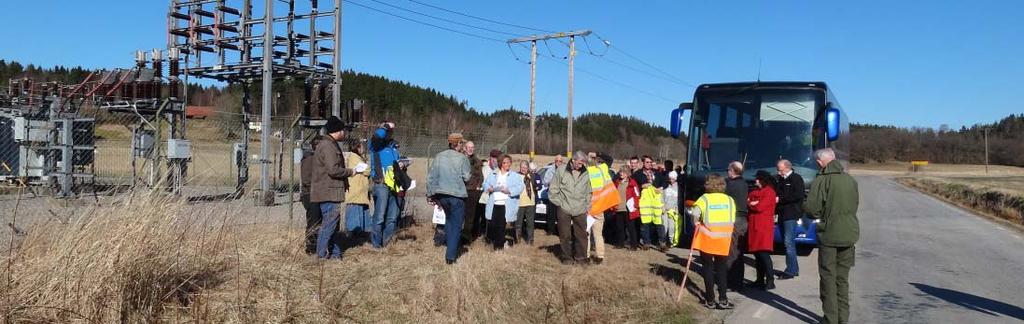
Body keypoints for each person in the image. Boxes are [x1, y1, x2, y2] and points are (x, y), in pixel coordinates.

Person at [803, 148, 859, 324]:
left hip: (829, 235)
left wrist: (807, 208)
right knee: (842, 279)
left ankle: (830, 319)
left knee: (828, 278)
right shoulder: (850, 179)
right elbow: (855, 204)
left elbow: (812, 210)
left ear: (820, 162)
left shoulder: (822, 180)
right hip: (849, 233)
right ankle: (843, 318)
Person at [310, 117, 357, 259]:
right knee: (329, 225)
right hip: (328, 192)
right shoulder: (328, 146)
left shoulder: (330, 144)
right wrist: (351, 171)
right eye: (344, 130)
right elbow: (333, 170)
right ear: (338, 131)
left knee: (333, 225)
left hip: (331, 191)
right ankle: (322, 255)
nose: (345, 133)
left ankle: (335, 254)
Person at [689, 174, 737, 310]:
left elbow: (694, 215)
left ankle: (710, 300)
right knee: (722, 270)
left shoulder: (704, 199)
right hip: (723, 240)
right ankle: (723, 299)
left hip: (707, 239)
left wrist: (697, 224)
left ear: (708, 184)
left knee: (708, 269)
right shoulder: (729, 200)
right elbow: (732, 219)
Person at [426, 133, 472, 264]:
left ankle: (448, 244)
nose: (463, 145)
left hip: (442, 196)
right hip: (457, 196)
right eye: (462, 143)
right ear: (458, 144)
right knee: (456, 225)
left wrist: (430, 194)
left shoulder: (439, 156)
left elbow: (431, 177)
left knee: (449, 222)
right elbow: (467, 177)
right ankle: (450, 257)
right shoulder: (462, 158)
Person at [549, 151, 592, 265]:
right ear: (573, 160)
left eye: (583, 163)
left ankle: (581, 259)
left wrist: (587, 205)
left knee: (582, 235)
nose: (581, 165)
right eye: (580, 162)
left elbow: (589, 191)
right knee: (565, 235)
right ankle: (567, 258)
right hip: (564, 208)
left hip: (581, 209)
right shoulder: (561, 170)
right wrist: (560, 203)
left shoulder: (586, 173)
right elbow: (553, 189)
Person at [369, 121, 401, 248]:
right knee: (380, 216)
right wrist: (385, 126)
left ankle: (387, 242)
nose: (389, 132)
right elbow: (376, 136)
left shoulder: (393, 148)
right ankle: (376, 244)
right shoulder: (375, 146)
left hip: (394, 184)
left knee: (392, 216)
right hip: (381, 183)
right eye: (387, 131)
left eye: (391, 131)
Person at [483, 155, 524, 250]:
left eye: (509, 162)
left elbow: (520, 187)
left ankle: (498, 247)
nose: (508, 164)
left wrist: (509, 191)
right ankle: (500, 242)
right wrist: (488, 188)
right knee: (493, 225)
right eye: (505, 162)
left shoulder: (515, 176)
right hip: (494, 204)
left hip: (505, 204)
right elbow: (485, 183)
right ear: (501, 163)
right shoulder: (494, 174)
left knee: (501, 226)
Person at [775, 159, 806, 280]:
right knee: (787, 241)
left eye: (780, 170)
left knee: (789, 242)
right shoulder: (780, 180)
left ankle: (791, 270)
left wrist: (780, 199)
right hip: (782, 214)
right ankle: (794, 268)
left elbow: (798, 195)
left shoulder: (796, 179)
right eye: (778, 170)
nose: (778, 172)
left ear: (787, 168)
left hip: (791, 214)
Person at [747, 170, 778, 290]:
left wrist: (752, 204)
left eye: (758, 179)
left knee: (764, 253)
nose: (755, 181)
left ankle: (770, 280)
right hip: (754, 226)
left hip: (763, 227)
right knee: (757, 254)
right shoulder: (756, 191)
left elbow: (759, 207)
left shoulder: (769, 192)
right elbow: (749, 200)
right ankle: (760, 279)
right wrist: (752, 203)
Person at [585, 152, 614, 264]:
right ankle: (600, 256)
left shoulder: (585, 172)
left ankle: (586, 255)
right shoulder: (603, 169)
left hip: (588, 207)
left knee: (586, 233)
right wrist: (598, 153)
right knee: (598, 234)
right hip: (599, 207)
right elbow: (609, 158)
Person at [725, 161, 749, 290]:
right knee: (739, 252)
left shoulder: (730, 185)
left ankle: (732, 282)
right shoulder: (744, 184)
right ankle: (738, 280)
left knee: (732, 251)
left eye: (728, 169)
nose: (727, 172)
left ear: (733, 171)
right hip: (743, 219)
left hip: (734, 219)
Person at [344, 139, 372, 243]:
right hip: (355, 192)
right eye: (361, 146)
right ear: (357, 147)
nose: (363, 148)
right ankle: (353, 237)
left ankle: (362, 235)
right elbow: (367, 170)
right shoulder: (353, 157)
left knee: (362, 213)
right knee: (354, 215)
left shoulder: (359, 158)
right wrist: (368, 169)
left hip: (361, 192)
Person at [299, 135, 322, 254]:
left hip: (317, 193)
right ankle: (311, 247)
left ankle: (318, 245)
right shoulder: (309, 159)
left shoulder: (318, 159)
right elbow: (306, 179)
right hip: (310, 194)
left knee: (318, 220)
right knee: (313, 221)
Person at [612, 166, 641, 250]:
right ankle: (620, 244)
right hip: (618, 208)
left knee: (631, 228)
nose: (621, 174)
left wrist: (635, 205)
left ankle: (633, 245)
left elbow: (637, 195)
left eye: (623, 172)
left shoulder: (632, 183)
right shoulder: (617, 182)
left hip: (628, 209)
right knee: (619, 228)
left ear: (627, 174)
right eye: (620, 172)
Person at [462, 141, 485, 243]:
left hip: (472, 192)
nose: (470, 149)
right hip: (460, 190)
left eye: (472, 147)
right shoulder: (460, 159)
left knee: (470, 216)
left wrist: (478, 186)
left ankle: (466, 238)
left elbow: (481, 176)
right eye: (468, 147)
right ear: (464, 148)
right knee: (459, 215)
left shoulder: (477, 161)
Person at [638, 174, 665, 251]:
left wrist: (663, 206)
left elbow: (661, 196)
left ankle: (662, 243)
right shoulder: (644, 188)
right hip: (646, 211)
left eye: (651, 178)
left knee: (659, 227)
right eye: (648, 178)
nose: (649, 179)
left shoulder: (657, 188)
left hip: (656, 210)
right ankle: (646, 243)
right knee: (645, 227)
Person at [514, 161, 537, 245]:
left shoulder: (532, 176)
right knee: (518, 223)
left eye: (525, 167)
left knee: (530, 223)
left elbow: (535, 186)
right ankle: (518, 239)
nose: (523, 169)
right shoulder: (516, 176)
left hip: (530, 202)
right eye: (521, 167)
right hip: (519, 202)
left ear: (528, 168)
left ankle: (530, 240)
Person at [662, 171, 680, 248]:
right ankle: (663, 241)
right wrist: (662, 206)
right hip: (665, 209)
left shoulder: (679, 188)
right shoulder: (665, 186)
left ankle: (671, 240)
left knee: (672, 227)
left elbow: (679, 199)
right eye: (670, 179)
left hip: (673, 210)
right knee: (664, 226)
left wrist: (677, 209)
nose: (671, 180)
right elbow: (661, 197)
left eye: (673, 179)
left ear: (675, 179)